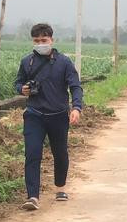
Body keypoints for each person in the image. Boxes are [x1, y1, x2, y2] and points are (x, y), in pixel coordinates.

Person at [14, 22, 83, 211]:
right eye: (36, 41)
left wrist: (76, 107)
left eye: (44, 40)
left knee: (60, 153)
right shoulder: (26, 61)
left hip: (59, 115)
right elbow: (18, 83)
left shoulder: (64, 62)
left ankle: (60, 188)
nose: (40, 43)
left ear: (52, 40)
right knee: (32, 154)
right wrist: (23, 89)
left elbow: (75, 86)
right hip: (34, 115)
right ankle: (33, 196)